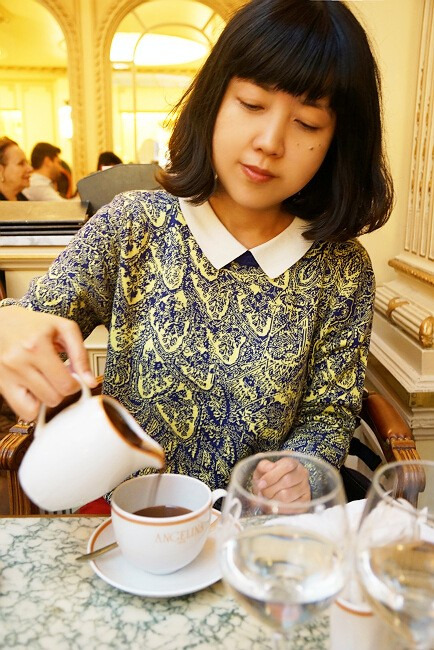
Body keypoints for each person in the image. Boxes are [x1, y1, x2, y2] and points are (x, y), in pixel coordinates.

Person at [0, 0, 393, 509]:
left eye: (308, 123)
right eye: (252, 104)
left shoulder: (342, 269)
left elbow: (329, 415)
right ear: (214, 100)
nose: (270, 142)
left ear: (339, 141)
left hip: (252, 532)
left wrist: (302, 473)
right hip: (126, 526)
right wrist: (8, 326)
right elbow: (37, 322)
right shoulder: (134, 224)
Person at [0, 137, 32, 201]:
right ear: (1, 170)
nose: (30, 169)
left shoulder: (23, 200)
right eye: (21, 163)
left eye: (27, 162)